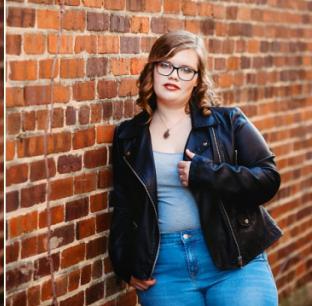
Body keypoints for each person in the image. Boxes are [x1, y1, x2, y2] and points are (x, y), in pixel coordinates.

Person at [108, 30, 282, 306]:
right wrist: (124, 263)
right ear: (152, 70)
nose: (174, 75)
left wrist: (207, 173)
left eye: (186, 69)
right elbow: (123, 205)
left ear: (198, 80)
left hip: (231, 261)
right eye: (166, 65)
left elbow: (269, 178)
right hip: (164, 270)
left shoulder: (228, 123)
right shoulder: (129, 136)